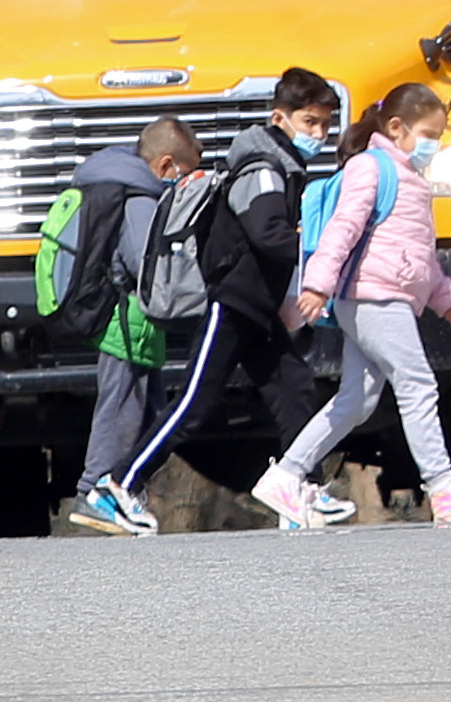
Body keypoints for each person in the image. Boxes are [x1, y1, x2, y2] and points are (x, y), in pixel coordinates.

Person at [103, 68, 345, 533]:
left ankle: (300, 486)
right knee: (194, 404)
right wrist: (320, 248)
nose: (319, 134)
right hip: (233, 303)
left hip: (257, 308)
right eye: (310, 122)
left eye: (325, 125)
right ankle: (120, 485)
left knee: (294, 387)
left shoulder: (283, 164)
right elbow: (268, 234)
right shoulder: (262, 168)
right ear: (280, 117)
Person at [255, 82, 451, 526]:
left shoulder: (412, 180)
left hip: (385, 298)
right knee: (417, 385)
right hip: (374, 297)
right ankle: (442, 486)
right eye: (429, 134)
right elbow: (343, 229)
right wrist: (317, 285)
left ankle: (288, 475)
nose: (435, 144)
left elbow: (423, 263)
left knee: (358, 398)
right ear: (397, 127)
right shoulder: (371, 168)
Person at [67, 116, 203, 535]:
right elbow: (147, 265)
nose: (187, 182)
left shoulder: (127, 190)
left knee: (149, 411)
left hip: (135, 326)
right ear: (165, 167)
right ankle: (95, 491)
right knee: (121, 406)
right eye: (186, 172)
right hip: (126, 324)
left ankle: (123, 491)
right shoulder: (140, 201)